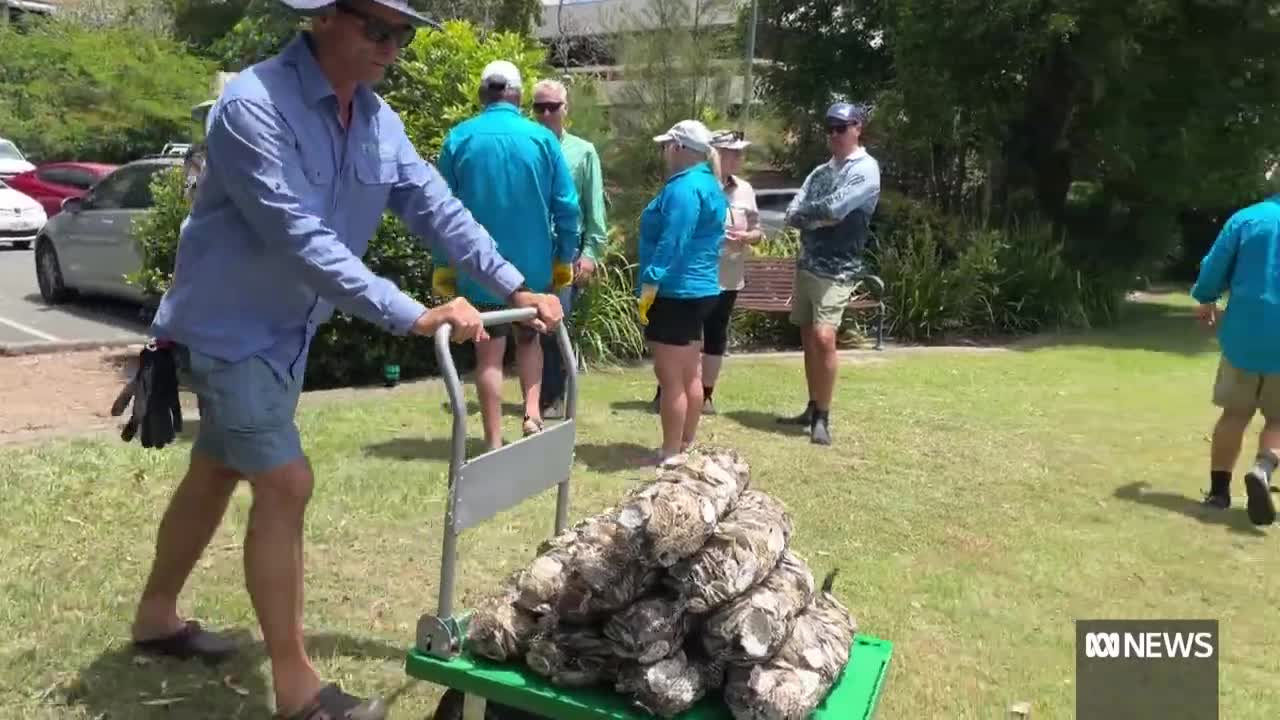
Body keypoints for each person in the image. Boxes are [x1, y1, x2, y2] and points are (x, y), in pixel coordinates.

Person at [119, 2, 563, 718]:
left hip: (290, 331)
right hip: (231, 332)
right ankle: (298, 692)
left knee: (219, 467)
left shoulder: (379, 123)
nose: (391, 46)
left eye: (402, 33)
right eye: (375, 28)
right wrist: (413, 314)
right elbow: (300, 238)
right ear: (324, 17)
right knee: (286, 483)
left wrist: (516, 283)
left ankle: (156, 615)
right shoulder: (251, 105)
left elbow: (437, 209)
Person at [433, 61, 580, 448]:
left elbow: (438, 209)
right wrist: (564, 256)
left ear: (484, 94)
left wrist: (442, 264)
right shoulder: (543, 140)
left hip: (476, 268)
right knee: (530, 340)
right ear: (517, 96)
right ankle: (532, 414)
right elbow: (566, 205)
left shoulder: (459, 138)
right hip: (533, 265)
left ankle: (493, 438)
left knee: (489, 354)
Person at [776, 102, 881, 446]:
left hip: (839, 270)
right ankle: (811, 406)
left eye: (842, 127)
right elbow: (792, 212)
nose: (834, 134)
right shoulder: (820, 172)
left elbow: (836, 210)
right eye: (830, 128)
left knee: (824, 337)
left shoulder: (865, 169)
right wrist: (812, 215)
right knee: (808, 339)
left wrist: (810, 215)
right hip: (808, 264)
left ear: (857, 127)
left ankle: (823, 417)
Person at [649, 128, 763, 415]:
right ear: (716, 151)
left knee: (711, 337)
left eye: (740, 152)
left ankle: (698, 403)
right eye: (732, 151)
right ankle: (674, 399)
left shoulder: (737, 189)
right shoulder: (699, 183)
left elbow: (756, 228)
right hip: (697, 276)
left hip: (718, 277)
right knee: (685, 345)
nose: (738, 157)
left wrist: (748, 237)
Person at [637, 120, 728, 463]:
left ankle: (671, 451)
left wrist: (651, 282)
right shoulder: (709, 183)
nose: (663, 152)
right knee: (690, 372)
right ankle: (686, 445)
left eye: (666, 146)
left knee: (671, 377)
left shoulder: (684, 188)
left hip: (676, 292)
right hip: (700, 290)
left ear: (678, 148)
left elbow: (674, 238)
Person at [1191, 192, 1280, 526]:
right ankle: (1263, 468)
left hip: (1245, 335)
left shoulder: (1248, 218)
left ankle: (1218, 493)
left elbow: (1215, 264)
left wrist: (1206, 297)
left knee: (1235, 413)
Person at [529, 78, 610, 419]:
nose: (546, 113)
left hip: (566, 253)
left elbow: (594, 207)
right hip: (528, 251)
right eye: (539, 107)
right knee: (530, 325)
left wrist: (590, 253)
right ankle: (538, 396)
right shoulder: (525, 146)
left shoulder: (583, 151)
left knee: (555, 323)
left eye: (553, 107)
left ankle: (553, 396)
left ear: (566, 110)